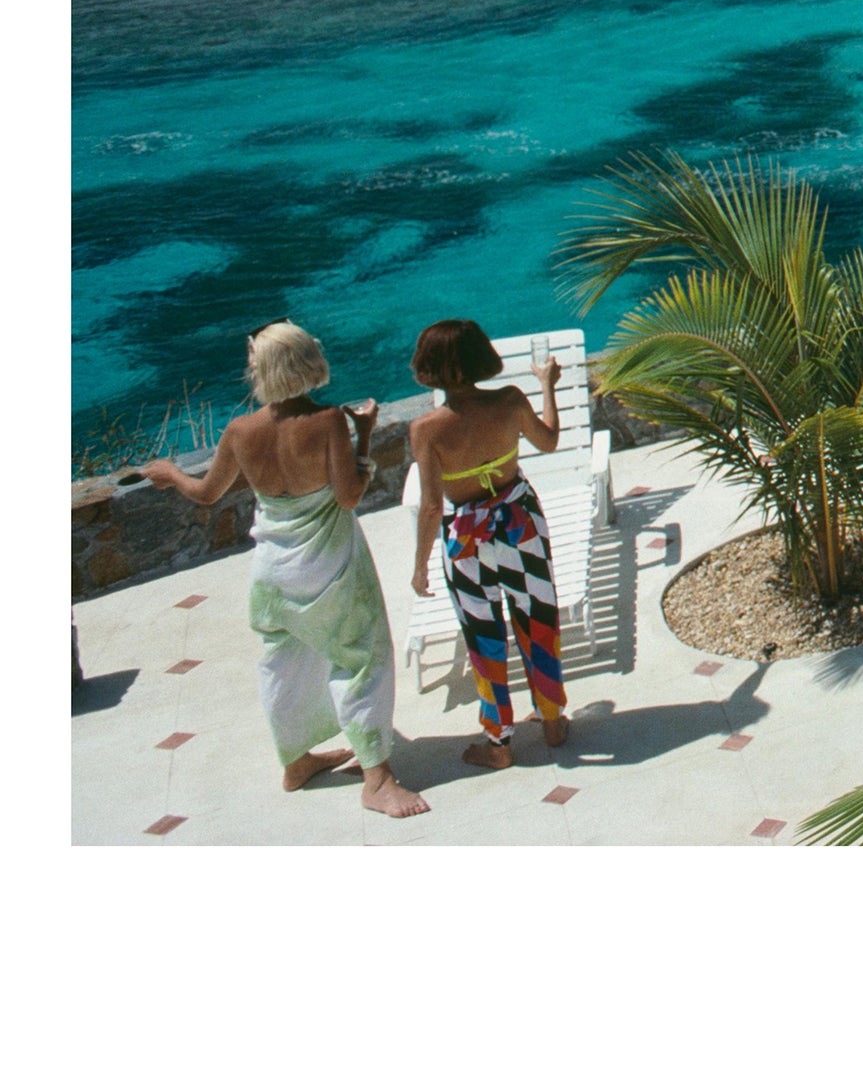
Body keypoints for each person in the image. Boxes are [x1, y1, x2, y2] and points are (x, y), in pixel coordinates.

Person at [137, 321, 427, 818]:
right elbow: (348, 495)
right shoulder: (329, 421)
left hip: (272, 571)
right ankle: (377, 779)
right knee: (361, 657)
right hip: (329, 568)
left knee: (283, 660)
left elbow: (206, 494)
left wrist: (170, 474)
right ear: (306, 362)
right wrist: (364, 437)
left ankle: (295, 761)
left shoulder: (241, 431)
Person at [407, 317, 568, 770]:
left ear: (428, 367)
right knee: (538, 622)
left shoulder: (426, 429)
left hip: (466, 539)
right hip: (520, 523)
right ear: (483, 358)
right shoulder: (510, 401)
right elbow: (551, 441)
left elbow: (432, 507)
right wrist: (547, 385)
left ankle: (499, 743)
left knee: (484, 637)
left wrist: (420, 567)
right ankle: (553, 721)